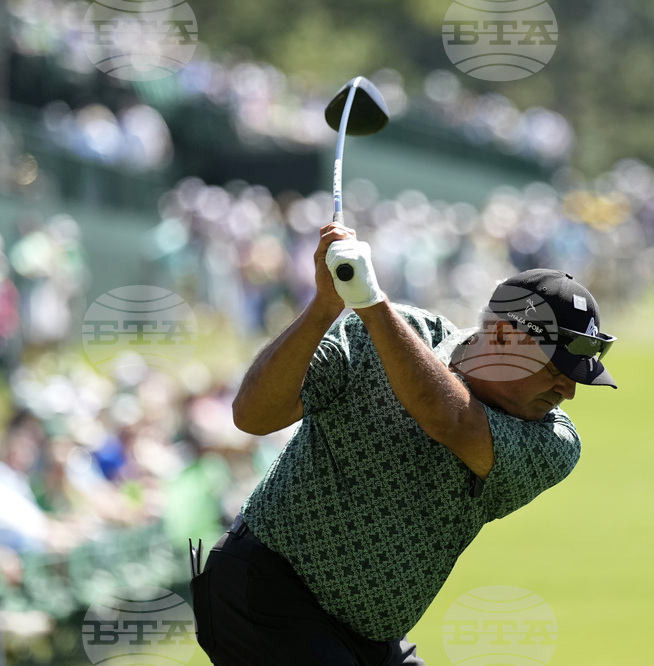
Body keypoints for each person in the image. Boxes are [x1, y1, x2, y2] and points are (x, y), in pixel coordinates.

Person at [190, 220, 617, 665]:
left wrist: (373, 306)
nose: (569, 392)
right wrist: (323, 308)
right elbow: (252, 416)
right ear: (503, 338)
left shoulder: (554, 440)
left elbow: (450, 420)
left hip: (373, 638)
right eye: (556, 371)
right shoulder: (380, 333)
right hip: (261, 590)